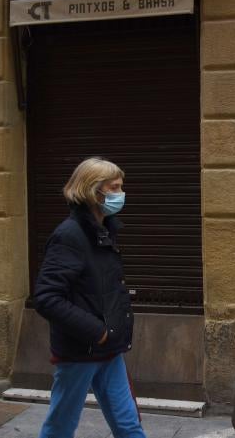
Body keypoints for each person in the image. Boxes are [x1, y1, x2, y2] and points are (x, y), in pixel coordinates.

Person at [34, 157, 144, 438]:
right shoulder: (69, 236)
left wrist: (110, 335)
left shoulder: (103, 231)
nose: (121, 194)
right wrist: (98, 332)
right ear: (94, 191)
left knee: (128, 425)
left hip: (109, 350)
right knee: (60, 427)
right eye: (115, 187)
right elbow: (47, 298)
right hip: (80, 353)